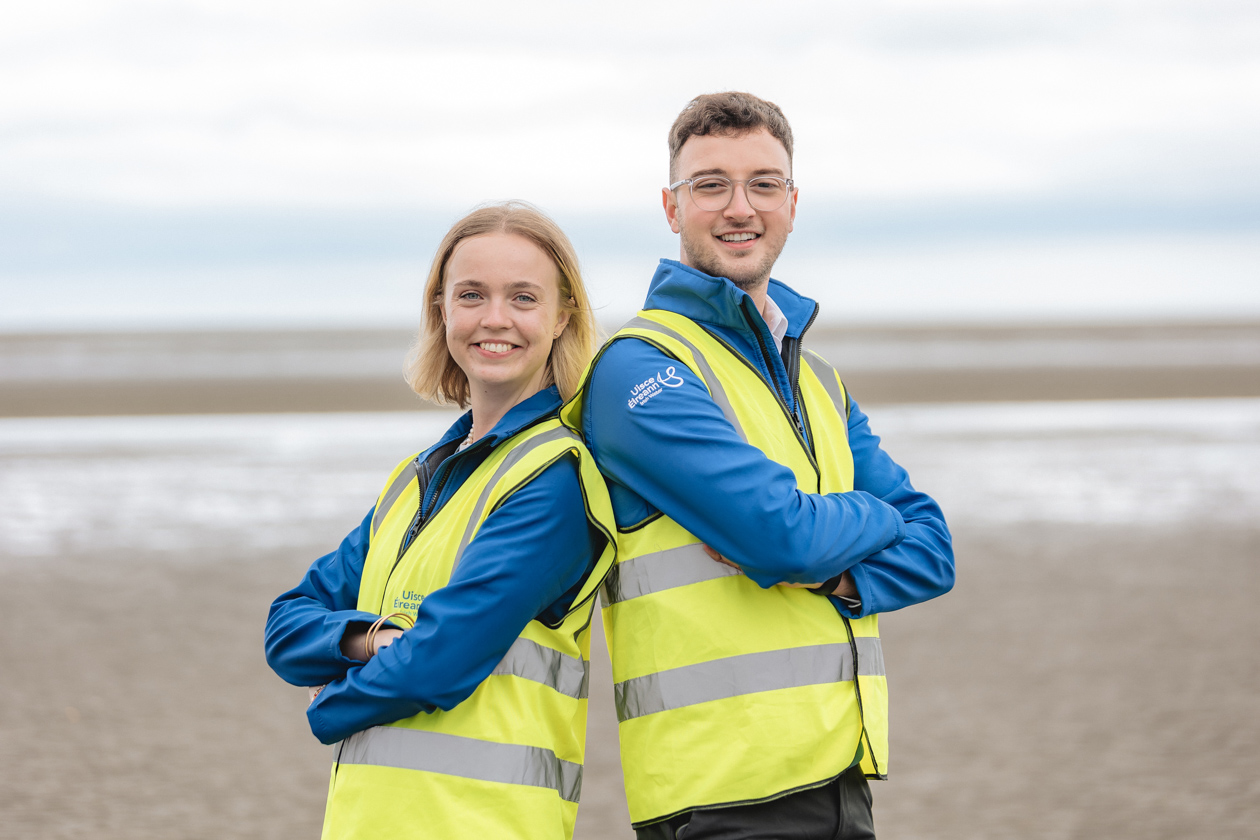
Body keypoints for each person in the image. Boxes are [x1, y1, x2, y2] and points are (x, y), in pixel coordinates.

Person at [559, 92, 955, 839]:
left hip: (839, 773)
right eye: (711, 184)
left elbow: (934, 549)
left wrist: (837, 570)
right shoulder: (640, 371)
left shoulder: (819, 380)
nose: (740, 207)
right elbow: (781, 539)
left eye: (763, 184)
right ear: (672, 208)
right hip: (720, 792)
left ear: (793, 203)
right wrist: (872, 519)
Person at [265, 202, 617, 840]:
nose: (495, 319)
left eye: (523, 297)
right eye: (472, 295)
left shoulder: (554, 479)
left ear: (563, 315)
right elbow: (287, 622)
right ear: (441, 310)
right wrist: (370, 640)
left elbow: (441, 660)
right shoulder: (417, 477)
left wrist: (330, 704)